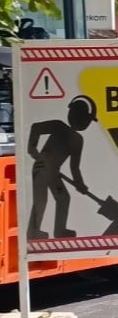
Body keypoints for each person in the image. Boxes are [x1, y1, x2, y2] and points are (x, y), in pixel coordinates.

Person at [27, 96, 95, 240]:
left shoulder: (77, 139)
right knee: (41, 200)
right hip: (42, 167)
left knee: (63, 198)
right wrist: (32, 150)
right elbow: (36, 128)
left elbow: (74, 167)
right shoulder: (59, 127)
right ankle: (33, 232)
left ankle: (59, 231)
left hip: (52, 171)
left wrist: (80, 184)